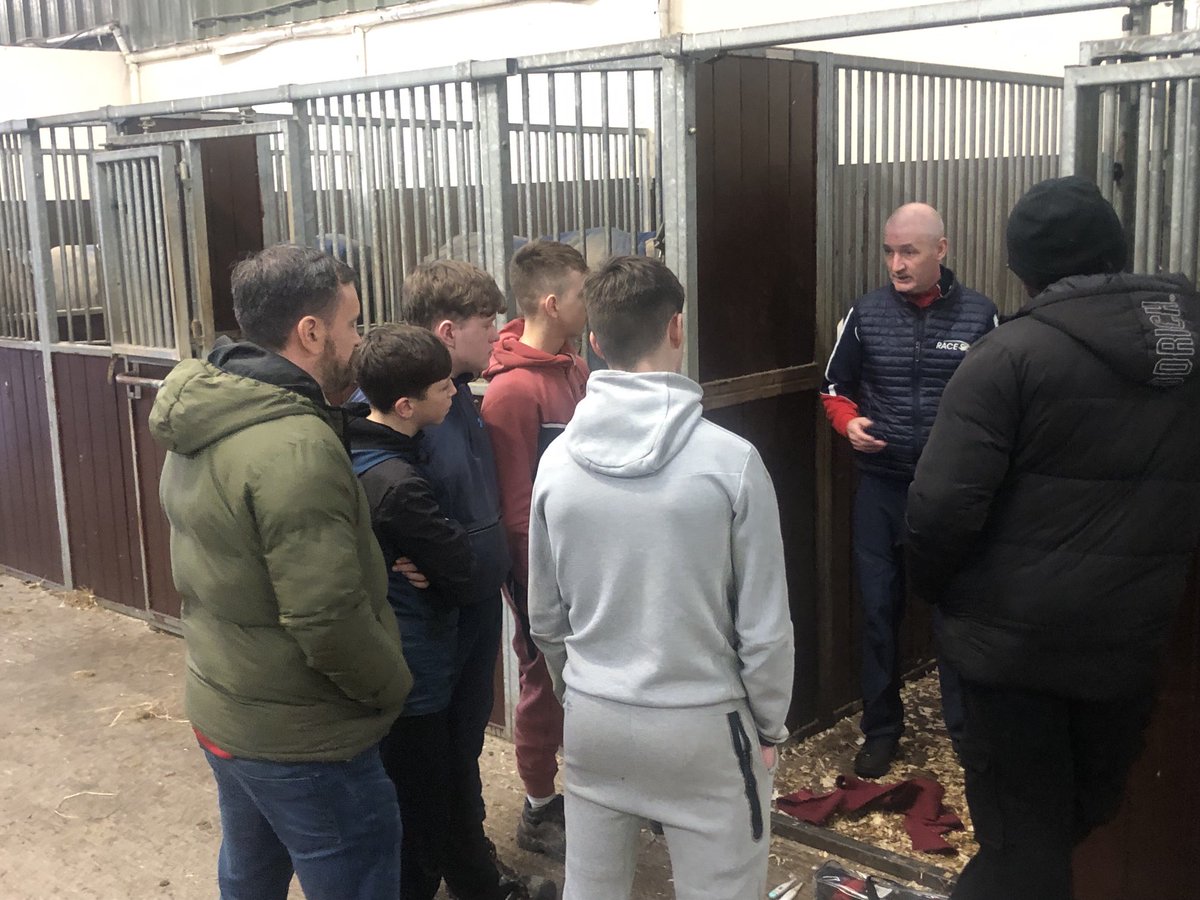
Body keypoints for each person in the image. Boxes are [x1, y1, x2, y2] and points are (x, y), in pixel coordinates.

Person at [906, 175, 1200, 900]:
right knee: (1077, 813)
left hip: (1013, 657)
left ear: (1023, 270)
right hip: (1127, 646)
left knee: (1020, 850)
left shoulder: (1007, 357)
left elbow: (940, 511)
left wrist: (941, 598)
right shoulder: (1189, 348)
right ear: (1119, 248)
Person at [148, 244, 411, 900]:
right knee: (357, 875)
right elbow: (326, 619)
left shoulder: (208, 411)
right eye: (353, 324)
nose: (359, 340)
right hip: (304, 738)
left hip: (227, 705)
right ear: (311, 332)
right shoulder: (293, 447)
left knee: (251, 873)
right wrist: (390, 684)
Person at [528, 256, 795, 900]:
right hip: (704, 724)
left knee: (591, 889)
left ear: (593, 341)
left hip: (594, 718)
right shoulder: (731, 463)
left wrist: (581, 690)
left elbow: (544, 616)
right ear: (678, 328)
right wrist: (770, 727)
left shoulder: (557, 462)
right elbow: (764, 627)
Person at [820, 202, 997, 778]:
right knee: (878, 612)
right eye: (890, 251)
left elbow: (1000, 400)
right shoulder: (866, 314)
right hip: (882, 489)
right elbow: (833, 386)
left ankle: (969, 737)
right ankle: (881, 730)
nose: (896, 263)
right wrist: (848, 423)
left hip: (953, 495)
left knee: (960, 615)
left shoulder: (981, 317)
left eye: (909, 251)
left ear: (940, 251)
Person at [399, 260, 555, 900]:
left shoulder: (458, 388)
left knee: (458, 751)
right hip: (432, 614)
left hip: (470, 600)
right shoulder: (399, 399)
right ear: (445, 330)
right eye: (485, 323)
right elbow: (368, 481)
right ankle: (454, 877)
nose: (496, 336)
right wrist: (387, 551)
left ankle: (467, 871)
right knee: (432, 760)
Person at [346, 323, 477, 900]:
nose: (455, 394)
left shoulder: (352, 445)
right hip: (416, 668)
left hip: (389, 651)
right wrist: (448, 555)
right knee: (421, 812)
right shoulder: (399, 485)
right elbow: (463, 569)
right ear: (406, 405)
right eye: (444, 388)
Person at [481, 241, 590, 861]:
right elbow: (515, 505)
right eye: (580, 293)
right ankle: (539, 806)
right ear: (552, 302)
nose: (588, 302)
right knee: (541, 679)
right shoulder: (514, 392)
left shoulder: (573, 367)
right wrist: (536, 585)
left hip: (581, 561)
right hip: (540, 568)